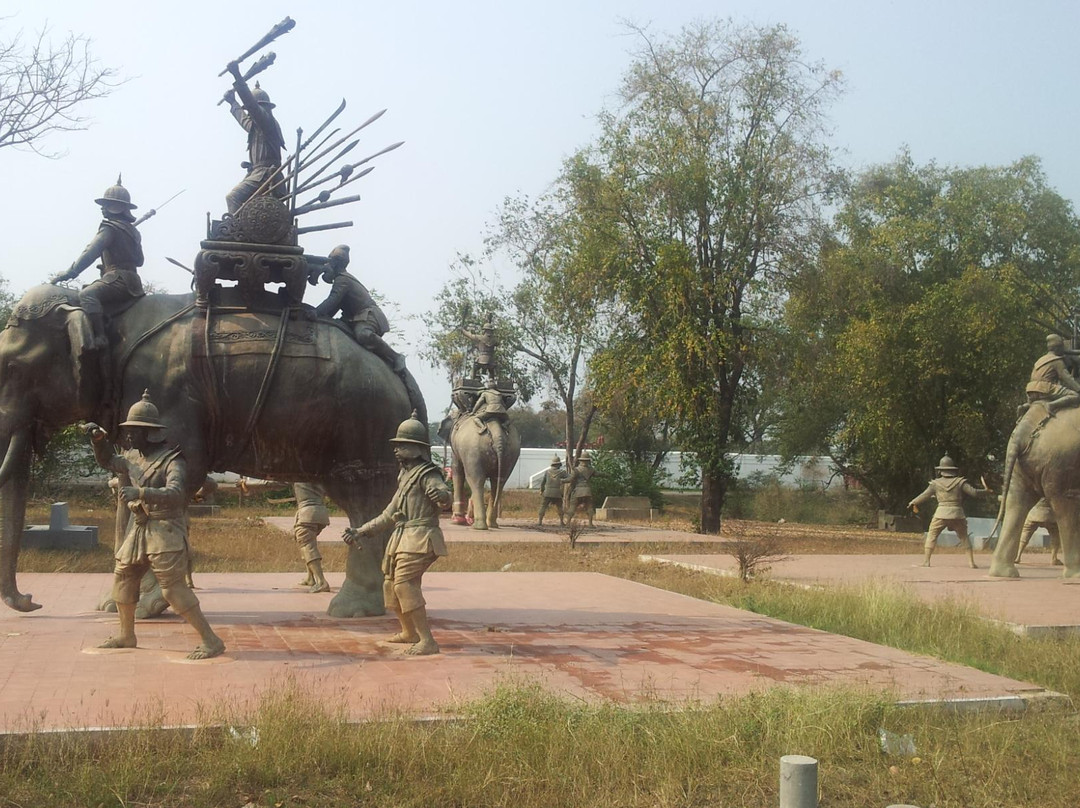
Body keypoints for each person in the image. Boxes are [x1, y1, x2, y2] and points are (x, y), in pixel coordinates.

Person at [84, 391, 225, 659]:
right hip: (139, 529)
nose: (128, 436)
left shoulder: (173, 461)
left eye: (133, 431)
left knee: (172, 588)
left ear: (148, 433)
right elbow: (108, 462)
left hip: (165, 530)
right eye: (127, 432)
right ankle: (126, 635)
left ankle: (211, 640)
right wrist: (98, 441)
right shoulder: (132, 457)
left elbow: (176, 494)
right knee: (124, 577)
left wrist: (141, 494)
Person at [342, 411, 451, 655]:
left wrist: (443, 497)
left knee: (404, 585)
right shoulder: (405, 476)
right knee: (391, 585)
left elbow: (444, 494)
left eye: (401, 446)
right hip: (403, 539)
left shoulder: (427, 474)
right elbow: (390, 513)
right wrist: (362, 531)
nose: (396, 450)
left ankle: (427, 640)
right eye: (396, 445)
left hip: (421, 537)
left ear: (416, 448)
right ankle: (409, 632)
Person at [51, 177, 146, 346]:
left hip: (118, 280)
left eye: (106, 204)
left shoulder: (110, 228)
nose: (102, 208)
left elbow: (90, 252)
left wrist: (70, 272)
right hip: (134, 281)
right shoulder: (133, 232)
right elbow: (139, 261)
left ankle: (100, 336)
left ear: (115, 207)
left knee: (87, 295)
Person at [908, 454, 991, 568]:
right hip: (957, 513)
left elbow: (924, 495)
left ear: (940, 470)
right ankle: (971, 562)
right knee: (964, 537)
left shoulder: (935, 484)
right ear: (952, 470)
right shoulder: (960, 482)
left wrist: (913, 502)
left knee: (932, 535)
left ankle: (927, 561)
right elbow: (975, 493)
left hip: (941, 513)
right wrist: (986, 491)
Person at [223, 66, 286, 214]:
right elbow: (244, 121)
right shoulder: (258, 127)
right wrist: (233, 103)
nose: (250, 113)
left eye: (252, 111)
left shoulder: (266, 122)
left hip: (265, 174)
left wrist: (237, 76)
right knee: (246, 206)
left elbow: (251, 106)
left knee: (233, 197)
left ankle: (237, 230)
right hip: (256, 174)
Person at [1019, 334, 1080, 419]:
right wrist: (1078, 388)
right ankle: (1052, 405)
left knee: (1033, 403)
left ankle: (1026, 406)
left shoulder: (1040, 360)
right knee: (1075, 396)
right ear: (1056, 348)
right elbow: (1067, 378)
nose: (1063, 350)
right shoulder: (1056, 361)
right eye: (1061, 347)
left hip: (1030, 390)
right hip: (1045, 388)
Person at [293, 482, 331, 592]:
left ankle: (321, 581)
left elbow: (274, 481)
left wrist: (248, 483)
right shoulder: (318, 473)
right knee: (307, 543)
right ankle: (310, 578)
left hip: (308, 514)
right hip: (321, 512)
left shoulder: (299, 473)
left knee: (307, 546)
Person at [1015, 497, 1063, 566]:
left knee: (1026, 532)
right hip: (1050, 514)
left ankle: (1018, 556)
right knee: (1055, 534)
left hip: (1034, 513)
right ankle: (1054, 558)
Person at [537, 455, 570, 526]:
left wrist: (542, 490)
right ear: (559, 464)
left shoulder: (547, 472)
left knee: (543, 506)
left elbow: (543, 482)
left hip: (547, 492)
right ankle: (561, 521)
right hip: (557, 493)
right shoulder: (562, 472)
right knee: (559, 507)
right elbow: (569, 478)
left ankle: (540, 521)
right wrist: (563, 481)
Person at [569, 453, 597, 527]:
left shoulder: (576, 470)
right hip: (587, 490)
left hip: (578, 490)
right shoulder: (591, 470)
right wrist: (606, 475)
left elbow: (570, 479)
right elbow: (598, 474)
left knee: (572, 506)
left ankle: (568, 522)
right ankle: (590, 523)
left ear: (580, 461)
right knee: (589, 507)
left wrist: (562, 480)